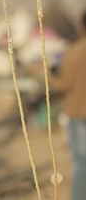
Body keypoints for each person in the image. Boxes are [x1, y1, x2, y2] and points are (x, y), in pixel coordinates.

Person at [51, 10, 86, 200]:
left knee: (81, 162)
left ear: (81, 27)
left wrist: (52, 77)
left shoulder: (74, 52)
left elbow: (63, 85)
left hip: (80, 115)